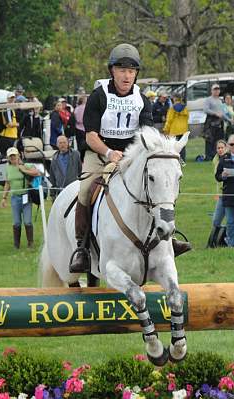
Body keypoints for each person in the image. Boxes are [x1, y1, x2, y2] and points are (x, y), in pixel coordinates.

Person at [69, 43, 190, 273]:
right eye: (122, 70)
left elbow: (145, 136)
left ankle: (166, 238)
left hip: (130, 156)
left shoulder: (142, 100)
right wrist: (108, 153)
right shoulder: (98, 96)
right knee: (86, 189)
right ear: (112, 71)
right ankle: (82, 248)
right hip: (99, 153)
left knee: (156, 187)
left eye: (132, 71)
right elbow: (91, 136)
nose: (127, 75)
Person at [1, 147, 42, 249]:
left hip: (26, 196)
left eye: (14, 156)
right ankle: (16, 244)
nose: (13, 158)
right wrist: (4, 197)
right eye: (11, 156)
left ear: (18, 156)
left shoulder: (26, 165)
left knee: (27, 221)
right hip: (15, 198)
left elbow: (37, 172)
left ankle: (30, 243)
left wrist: (23, 169)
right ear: (8, 158)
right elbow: (7, 183)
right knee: (16, 222)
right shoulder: (8, 168)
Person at [49, 135, 82, 201]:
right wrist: (53, 194)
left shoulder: (76, 154)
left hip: (74, 190)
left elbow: (80, 171)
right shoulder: (54, 158)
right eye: (60, 143)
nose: (62, 145)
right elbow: (52, 178)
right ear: (57, 144)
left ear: (68, 143)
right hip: (61, 192)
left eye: (64, 142)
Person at [0, 93, 19, 158]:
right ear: (7, 99)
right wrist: (18, 124)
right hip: (7, 137)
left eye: (13, 98)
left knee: (10, 157)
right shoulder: (8, 109)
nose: (12, 100)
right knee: (9, 157)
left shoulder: (11, 109)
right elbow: (9, 124)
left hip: (10, 136)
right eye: (11, 98)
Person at [163, 93, 189, 162]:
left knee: (174, 147)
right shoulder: (185, 108)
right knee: (182, 147)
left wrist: (165, 130)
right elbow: (187, 118)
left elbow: (169, 121)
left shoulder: (172, 109)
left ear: (174, 99)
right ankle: (182, 161)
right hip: (183, 130)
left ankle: (176, 160)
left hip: (174, 131)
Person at [203, 83, 224, 161]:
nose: (216, 91)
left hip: (219, 122)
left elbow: (223, 112)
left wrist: (228, 119)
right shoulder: (208, 99)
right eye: (215, 89)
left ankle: (217, 155)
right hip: (211, 121)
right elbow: (205, 109)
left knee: (218, 140)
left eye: (218, 89)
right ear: (212, 91)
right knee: (209, 139)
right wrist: (215, 113)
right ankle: (209, 156)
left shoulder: (220, 100)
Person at [74, 95, 88, 160]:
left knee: (79, 144)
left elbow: (77, 119)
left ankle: (80, 159)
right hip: (85, 128)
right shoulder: (86, 107)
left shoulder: (76, 108)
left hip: (78, 128)